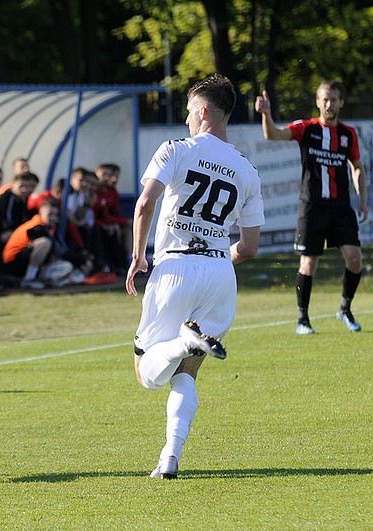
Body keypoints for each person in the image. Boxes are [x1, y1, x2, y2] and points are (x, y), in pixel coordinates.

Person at [125, 74, 264, 479]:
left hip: (174, 266)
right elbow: (250, 247)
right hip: (220, 274)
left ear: (203, 113)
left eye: (189, 112)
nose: (186, 121)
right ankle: (170, 456)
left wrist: (137, 256)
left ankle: (183, 340)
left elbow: (145, 202)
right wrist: (218, 258)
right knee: (187, 372)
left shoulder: (176, 150)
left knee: (148, 375)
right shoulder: (247, 170)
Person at [255, 80, 368, 334]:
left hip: (341, 208)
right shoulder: (306, 128)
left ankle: (344, 309)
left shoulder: (348, 134)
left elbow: (358, 166)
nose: (329, 104)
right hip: (312, 206)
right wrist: (266, 114)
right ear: (318, 102)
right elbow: (273, 134)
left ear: (342, 102)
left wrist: (362, 199)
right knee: (308, 264)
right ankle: (302, 321)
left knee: (355, 259)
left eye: (334, 99)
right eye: (325, 99)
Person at [2, 198, 73, 289]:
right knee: (44, 243)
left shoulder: (49, 227)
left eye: (55, 215)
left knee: (66, 266)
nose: (53, 218)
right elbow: (49, 244)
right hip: (14, 262)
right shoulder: (36, 226)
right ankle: (29, 279)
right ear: (41, 212)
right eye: (50, 214)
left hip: (29, 261)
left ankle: (44, 278)